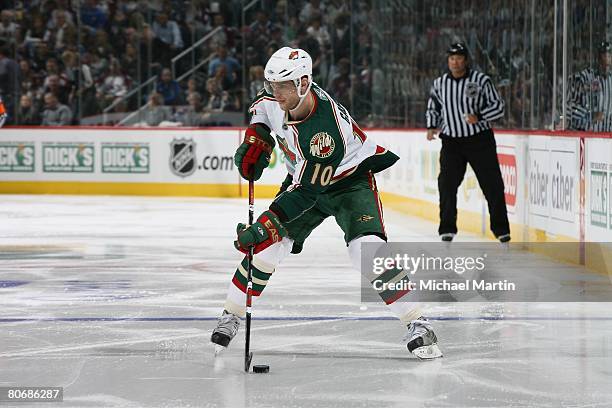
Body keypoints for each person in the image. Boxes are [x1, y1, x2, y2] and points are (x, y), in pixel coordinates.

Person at [210, 47, 443, 360]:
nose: (274, 92)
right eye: (272, 84)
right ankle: (231, 314)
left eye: (282, 86)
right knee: (266, 250)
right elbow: (261, 109)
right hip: (304, 179)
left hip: (349, 183)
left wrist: (267, 225)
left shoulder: (325, 130)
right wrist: (257, 136)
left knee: (366, 251)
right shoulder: (275, 97)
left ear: (303, 84)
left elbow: (307, 194)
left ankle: (418, 322)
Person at [426, 43, 510, 244]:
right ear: (448, 61)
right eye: (451, 58)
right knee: (446, 184)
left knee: (492, 185)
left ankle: (501, 229)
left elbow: (498, 107)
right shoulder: (440, 83)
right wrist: (431, 126)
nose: (455, 62)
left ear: (466, 60)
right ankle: (447, 228)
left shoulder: (481, 80)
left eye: (459, 58)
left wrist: (480, 116)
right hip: (452, 142)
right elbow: (433, 107)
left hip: (479, 140)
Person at [568, 41, 612, 132]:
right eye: (603, 55)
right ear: (597, 58)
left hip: (608, 138)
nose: (607, 59)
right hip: (587, 137)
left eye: (609, 55)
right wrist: (589, 115)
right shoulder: (585, 76)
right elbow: (568, 106)